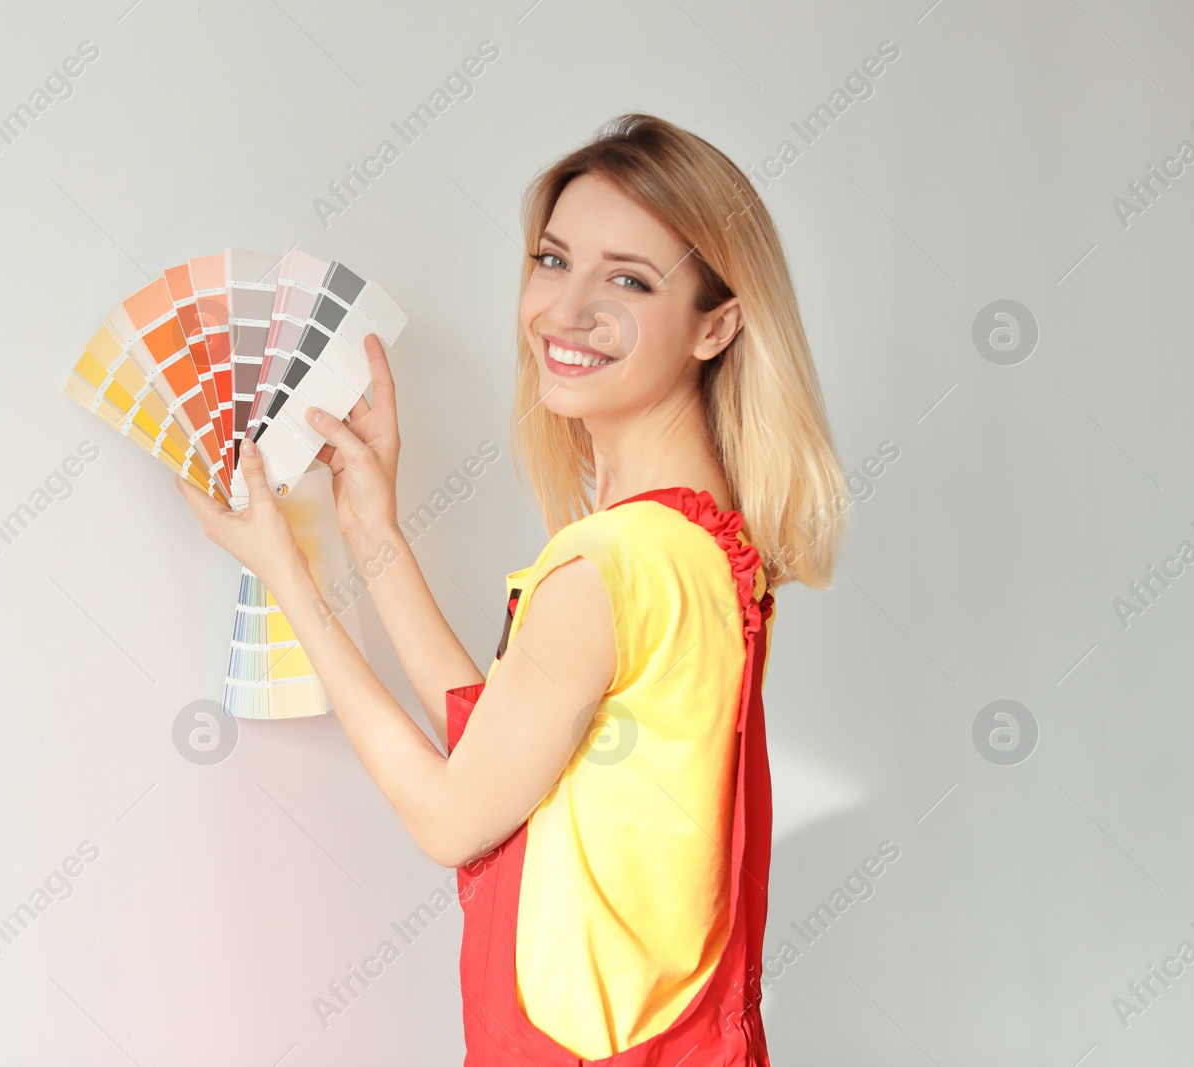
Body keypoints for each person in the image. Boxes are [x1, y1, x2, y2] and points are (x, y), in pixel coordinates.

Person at [176, 112, 848, 1065]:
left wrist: (286, 569)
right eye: (552, 259)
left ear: (717, 323)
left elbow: (455, 815)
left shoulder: (608, 567)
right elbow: (501, 744)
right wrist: (373, 534)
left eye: (627, 279)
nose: (563, 311)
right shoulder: (702, 547)